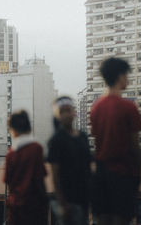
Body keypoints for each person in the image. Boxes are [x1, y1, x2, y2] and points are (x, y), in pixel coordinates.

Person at [91, 57, 141, 225]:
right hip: (123, 174)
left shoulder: (96, 108)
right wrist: (138, 175)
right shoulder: (128, 107)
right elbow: (135, 146)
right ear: (120, 76)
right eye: (126, 75)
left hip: (100, 174)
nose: (127, 78)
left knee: (103, 219)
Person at [47, 96, 92, 225]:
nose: (67, 114)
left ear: (74, 111)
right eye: (62, 111)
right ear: (57, 115)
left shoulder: (83, 136)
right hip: (68, 200)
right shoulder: (56, 140)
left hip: (83, 197)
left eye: (69, 110)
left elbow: (88, 167)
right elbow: (55, 176)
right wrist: (62, 204)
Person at [3, 110, 48, 225]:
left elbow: (9, 183)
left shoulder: (10, 153)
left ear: (12, 130)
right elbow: (39, 179)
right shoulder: (36, 148)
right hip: (35, 206)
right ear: (29, 127)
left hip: (16, 207)